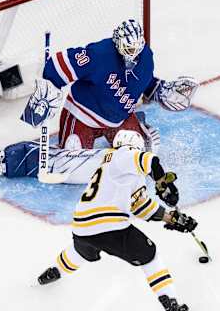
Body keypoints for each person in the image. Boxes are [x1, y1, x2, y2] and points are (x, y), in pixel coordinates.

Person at [36, 130, 197, 311]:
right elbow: (151, 161)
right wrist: (162, 183)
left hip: (82, 225)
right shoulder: (122, 155)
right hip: (110, 226)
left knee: (80, 251)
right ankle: (171, 302)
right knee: (150, 256)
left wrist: (172, 218)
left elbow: (141, 207)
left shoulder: (117, 170)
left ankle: (55, 270)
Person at [20, 19, 199, 153]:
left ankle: (138, 122)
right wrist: (47, 92)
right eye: (128, 50)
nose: (133, 57)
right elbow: (57, 66)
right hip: (83, 115)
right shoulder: (100, 53)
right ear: (118, 44)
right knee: (72, 152)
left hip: (117, 120)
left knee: (139, 151)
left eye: (136, 50)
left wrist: (159, 90)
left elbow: (142, 82)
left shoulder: (145, 58)